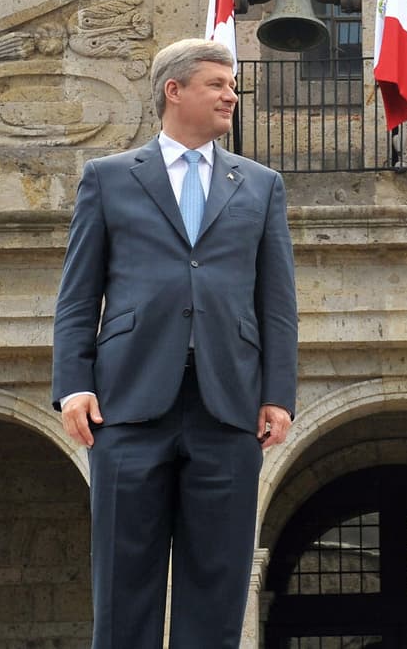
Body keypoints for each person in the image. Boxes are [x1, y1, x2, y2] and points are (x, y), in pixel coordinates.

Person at [52, 38, 298, 649]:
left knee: (217, 585)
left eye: (231, 84)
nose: (230, 94)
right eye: (217, 83)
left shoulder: (261, 185)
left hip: (230, 404)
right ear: (174, 90)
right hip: (127, 402)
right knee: (122, 582)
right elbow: (79, 296)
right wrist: (73, 384)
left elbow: (277, 302)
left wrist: (279, 394)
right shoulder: (108, 179)